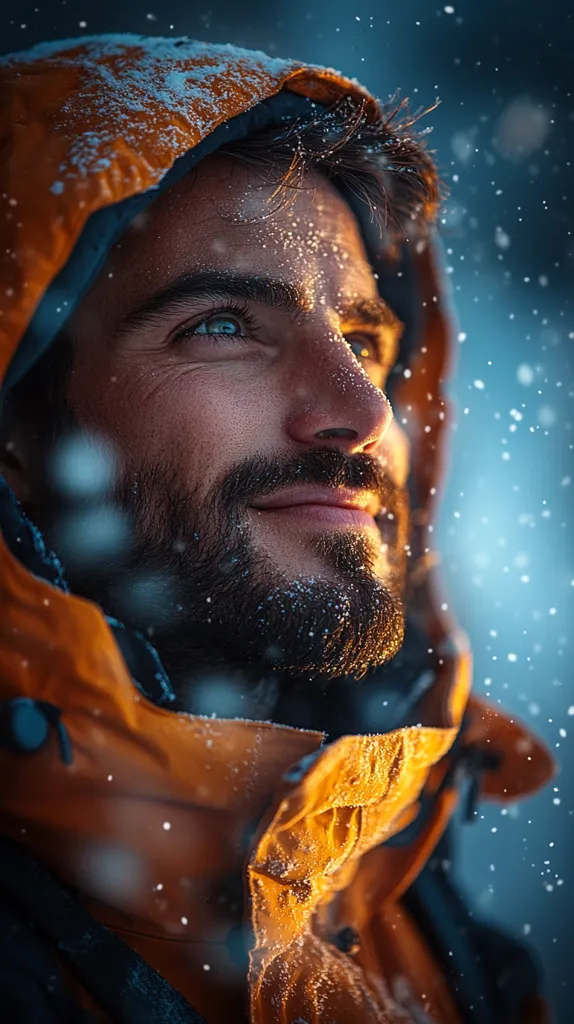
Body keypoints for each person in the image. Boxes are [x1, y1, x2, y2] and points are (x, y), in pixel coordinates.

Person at [0, 33, 554, 1024]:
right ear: (18, 429)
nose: (360, 408)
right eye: (222, 323)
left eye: (365, 339)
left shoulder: (398, 884)